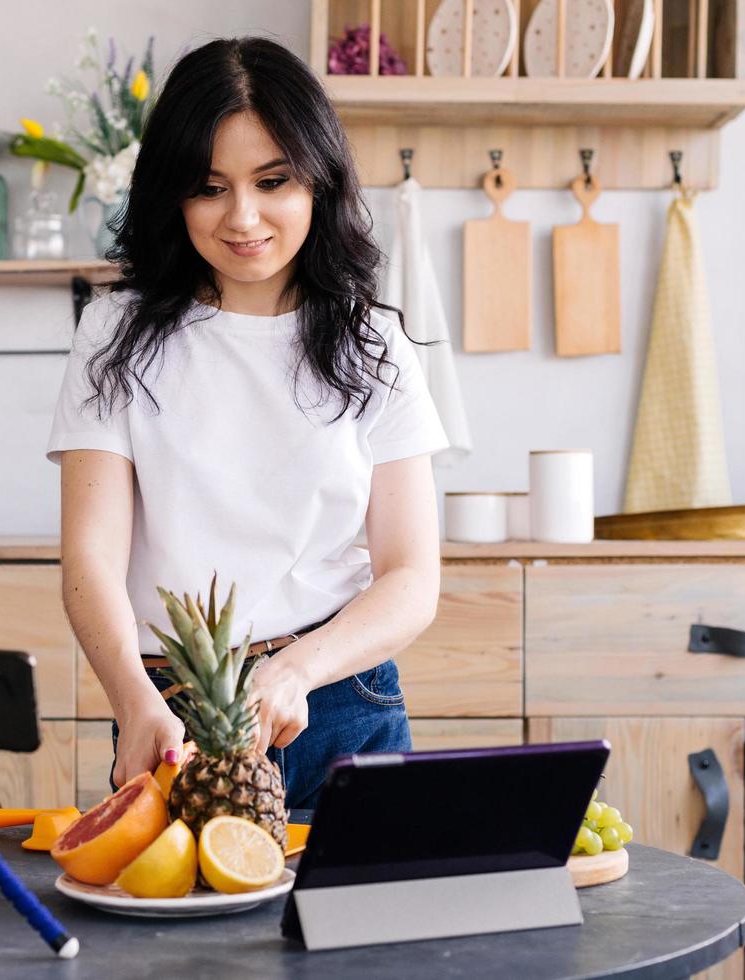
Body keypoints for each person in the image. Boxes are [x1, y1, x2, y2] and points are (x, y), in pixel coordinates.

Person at [45, 36, 449, 810]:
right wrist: (133, 699)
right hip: (172, 707)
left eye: (273, 181)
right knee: (188, 935)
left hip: (341, 698)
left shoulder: (374, 344)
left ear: (318, 182)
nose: (244, 217)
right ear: (172, 194)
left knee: (364, 933)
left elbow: (411, 577)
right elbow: (91, 559)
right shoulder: (113, 335)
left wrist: (298, 669)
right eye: (209, 187)